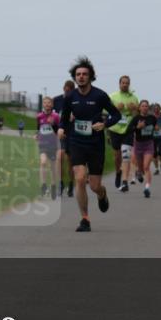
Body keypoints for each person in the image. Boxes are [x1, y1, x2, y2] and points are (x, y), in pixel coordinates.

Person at [57, 57, 121, 232]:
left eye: (85, 74)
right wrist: (62, 129)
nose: (81, 77)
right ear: (75, 77)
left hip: (95, 145)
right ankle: (85, 218)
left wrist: (104, 124)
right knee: (79, 178)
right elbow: (63, 120)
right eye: (78, 74)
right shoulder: (70, 97)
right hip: (77, 142)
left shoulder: (99, 95)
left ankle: (102, 194)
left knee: (94, 186)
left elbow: (116, 115)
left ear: (91, 76)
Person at [107, 75, 138, 193]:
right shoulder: (112, 96)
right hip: (115, 129)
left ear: (129, 84)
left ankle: (125, 181)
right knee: (117, 156)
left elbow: (137, 115)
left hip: (128, 129)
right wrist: (115, 108)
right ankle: (118, 172)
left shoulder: (134, 98)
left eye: (127, 83)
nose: (125, 85)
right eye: (123, 83)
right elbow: (105, 111)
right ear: (119, 84)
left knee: (126, 154)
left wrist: (134, 110)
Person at [52, 80, 76, 197]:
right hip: (61, 133)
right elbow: (52, 116)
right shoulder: (56, 100)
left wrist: (75, 116)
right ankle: (60, 183)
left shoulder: (77, 100)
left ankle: (71, 184)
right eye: (65, 90)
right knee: (60, 157)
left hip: (73, 134)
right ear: (63, 89)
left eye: (70, 90)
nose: (67, 92)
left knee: (70, 161)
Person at [35, 96, 61, 199]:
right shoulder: (39, 116)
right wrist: (36, 134)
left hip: (53, 144)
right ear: (43, 105)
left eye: (49, 103)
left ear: (52, 105)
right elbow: (38, 128)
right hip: (43, 144)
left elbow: (59, 130)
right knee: (43, 162)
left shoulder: (56, 116)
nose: (47, 105)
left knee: (53, 167)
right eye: (45, 103)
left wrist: (53, 124)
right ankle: (43, 185)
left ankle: (54, 185)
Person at [131, 100, 157, 198]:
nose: (145, 107)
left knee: (146, 167)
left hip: (149, 145)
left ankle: (147, 188)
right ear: (139, 108)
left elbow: (154, 126)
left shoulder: (152, 118)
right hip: (138, 145)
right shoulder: (136, 118)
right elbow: (129, 130)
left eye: (146, 106)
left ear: (148, 108)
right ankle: (138, 172)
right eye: (143, 106)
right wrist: (138, 127)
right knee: (141, 168)